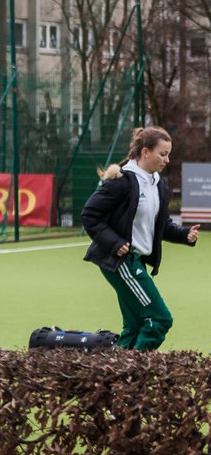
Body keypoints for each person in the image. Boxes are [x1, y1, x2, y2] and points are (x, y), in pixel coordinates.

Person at [81, 126, 199, 351]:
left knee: (134, 326)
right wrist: (115, 243)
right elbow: (89, 215)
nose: (167, 160)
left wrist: (185, 234)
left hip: (137, 262)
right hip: (121, 262)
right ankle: (135, 375)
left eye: (168, 154)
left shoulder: (158, 183)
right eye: (162, 154)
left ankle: (114, 375)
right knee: (160, 319)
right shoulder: (123, 181)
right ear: (145, 152)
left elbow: (161, 225)